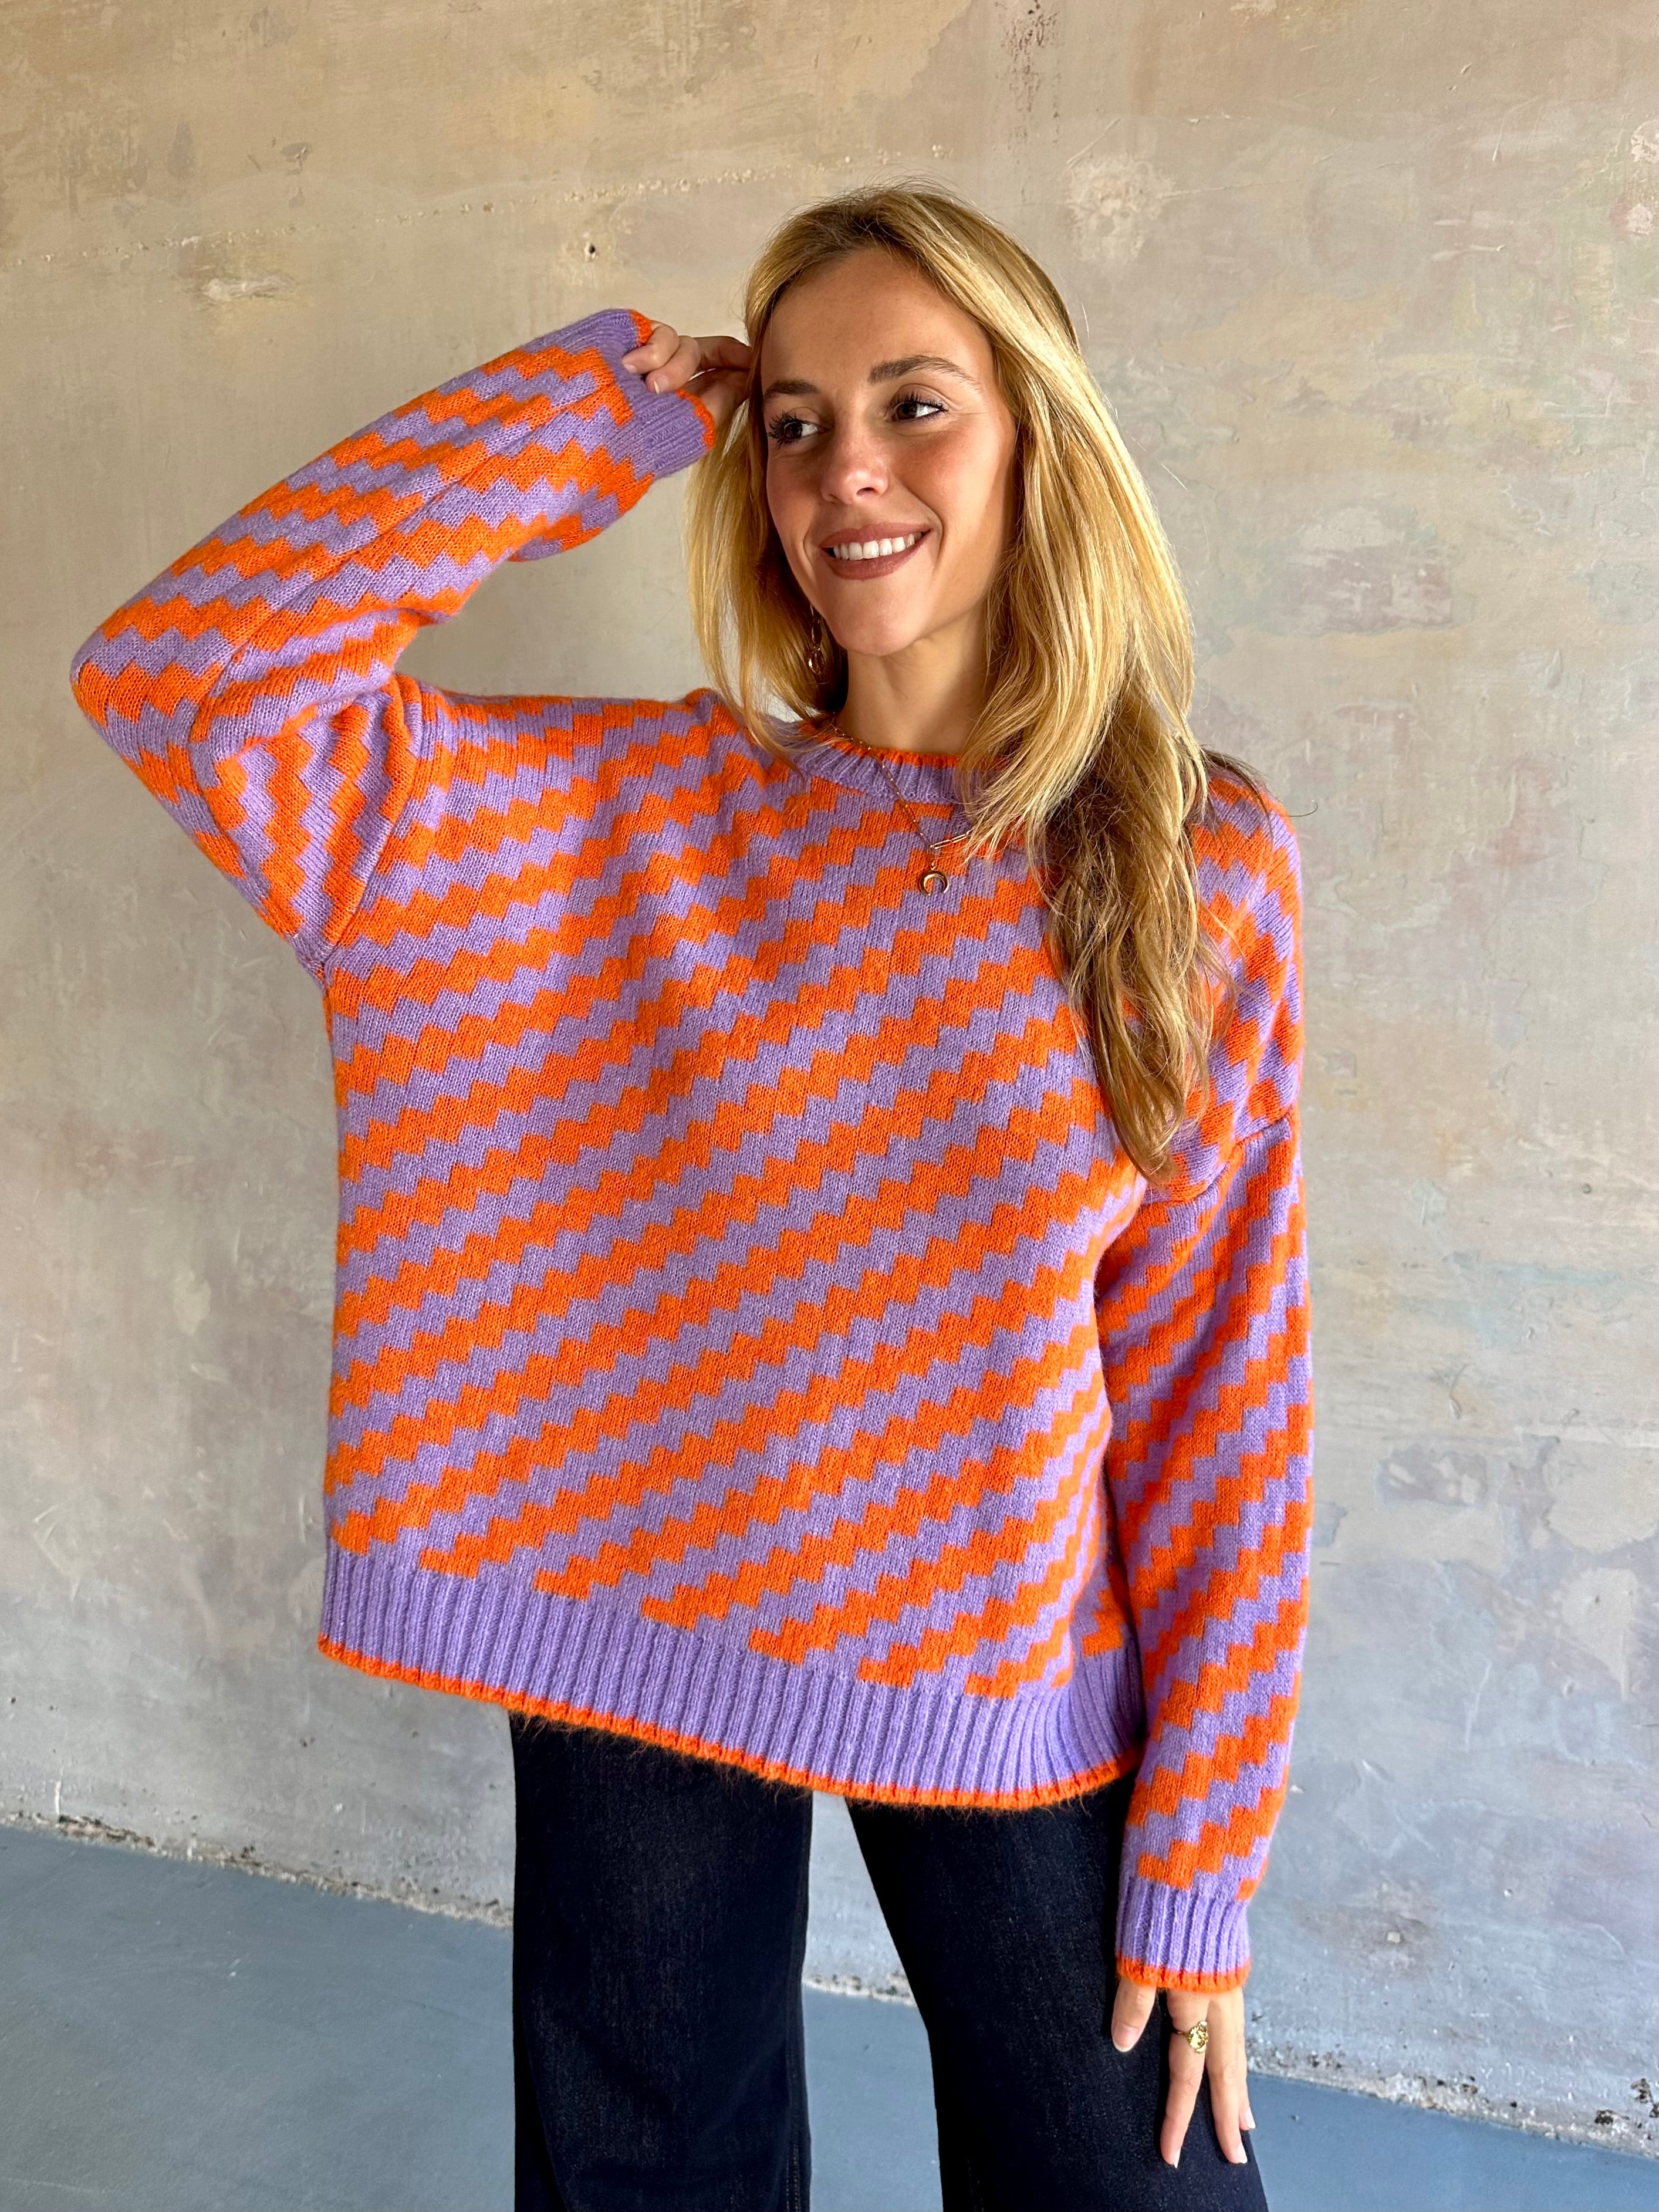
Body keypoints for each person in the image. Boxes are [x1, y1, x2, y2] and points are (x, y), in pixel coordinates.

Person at [70, 182, 1311, 2211]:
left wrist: (1202, 1857)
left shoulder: (1188, 861)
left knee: (1137, 2180)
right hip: (632, 1607)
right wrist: (582, 418)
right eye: (795, 419)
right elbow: (186, 676)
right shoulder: (601, 820)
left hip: (996, 1655)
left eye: (914, 403)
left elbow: (1218, 1388)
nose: (845, 470)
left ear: (1039, 437)